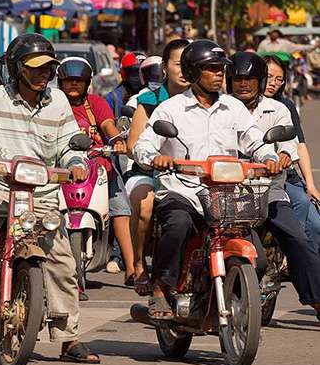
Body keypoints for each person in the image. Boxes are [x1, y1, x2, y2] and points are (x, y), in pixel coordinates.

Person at [0, 33, 100, 364]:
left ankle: (68, 337)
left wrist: (76, 163)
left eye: (48, 68)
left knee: (63, 261)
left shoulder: (58, 101)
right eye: (35, 68)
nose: (43, 74)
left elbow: (68, 145)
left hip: (43, 195)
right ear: (17, 69)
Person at [133, 40, 282, 320]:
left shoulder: (233, 107)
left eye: (220, 69)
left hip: (225, 195)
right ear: (191, 72)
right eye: (211, 69)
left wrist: (268, 157)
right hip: (182, 192)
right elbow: (144, 144)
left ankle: (234, 300)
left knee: (259, 259)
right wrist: (155, 158)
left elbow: (254, 140)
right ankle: (161, 288)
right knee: (177, 225)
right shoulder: (171, 109)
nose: (218, 74)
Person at [227, 52, 320, 317]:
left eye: (250, 79)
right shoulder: (221, 108)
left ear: (260, 81)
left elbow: (290, 143)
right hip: (226, 194)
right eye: (238, 78)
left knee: (300, 241)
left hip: (269, 191)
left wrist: (282, 156)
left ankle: (316, 299)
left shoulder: (278, 109)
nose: (243, 84)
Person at [56, 57, 133, 296]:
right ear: (59, 81)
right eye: (69, 81)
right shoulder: (52, 105)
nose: (73, 86)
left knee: (120, 207)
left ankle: (132, 268)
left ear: (88, 82)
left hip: (98, 169)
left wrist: (118, 140)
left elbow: (109, 126)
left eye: (78, 81)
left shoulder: (96, 103)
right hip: (62, 171)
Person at [124, 38, 191, 296]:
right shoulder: (149, 99)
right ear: (165, 67)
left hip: (190, 175)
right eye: (178, 64)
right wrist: (155, 159)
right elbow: (133, 145)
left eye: (189, 64)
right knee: (145, 204)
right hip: (147, 172)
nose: (184, 70)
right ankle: (139, 263)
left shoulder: (205, 99)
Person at [265, 55, 320, 251]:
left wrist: (310, 185)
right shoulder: (238, 105)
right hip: (256, 179)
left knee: (315, 225)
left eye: (279, 79)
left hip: (287, 177)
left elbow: (300, 145)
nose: (273, 83)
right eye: (269, 76)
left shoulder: (286, 106)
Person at [104, 51, 147, 117]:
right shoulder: (113, 99)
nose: (140, 77)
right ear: (124, 75)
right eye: (134, 73)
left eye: (143, 73)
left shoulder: (155, 96)